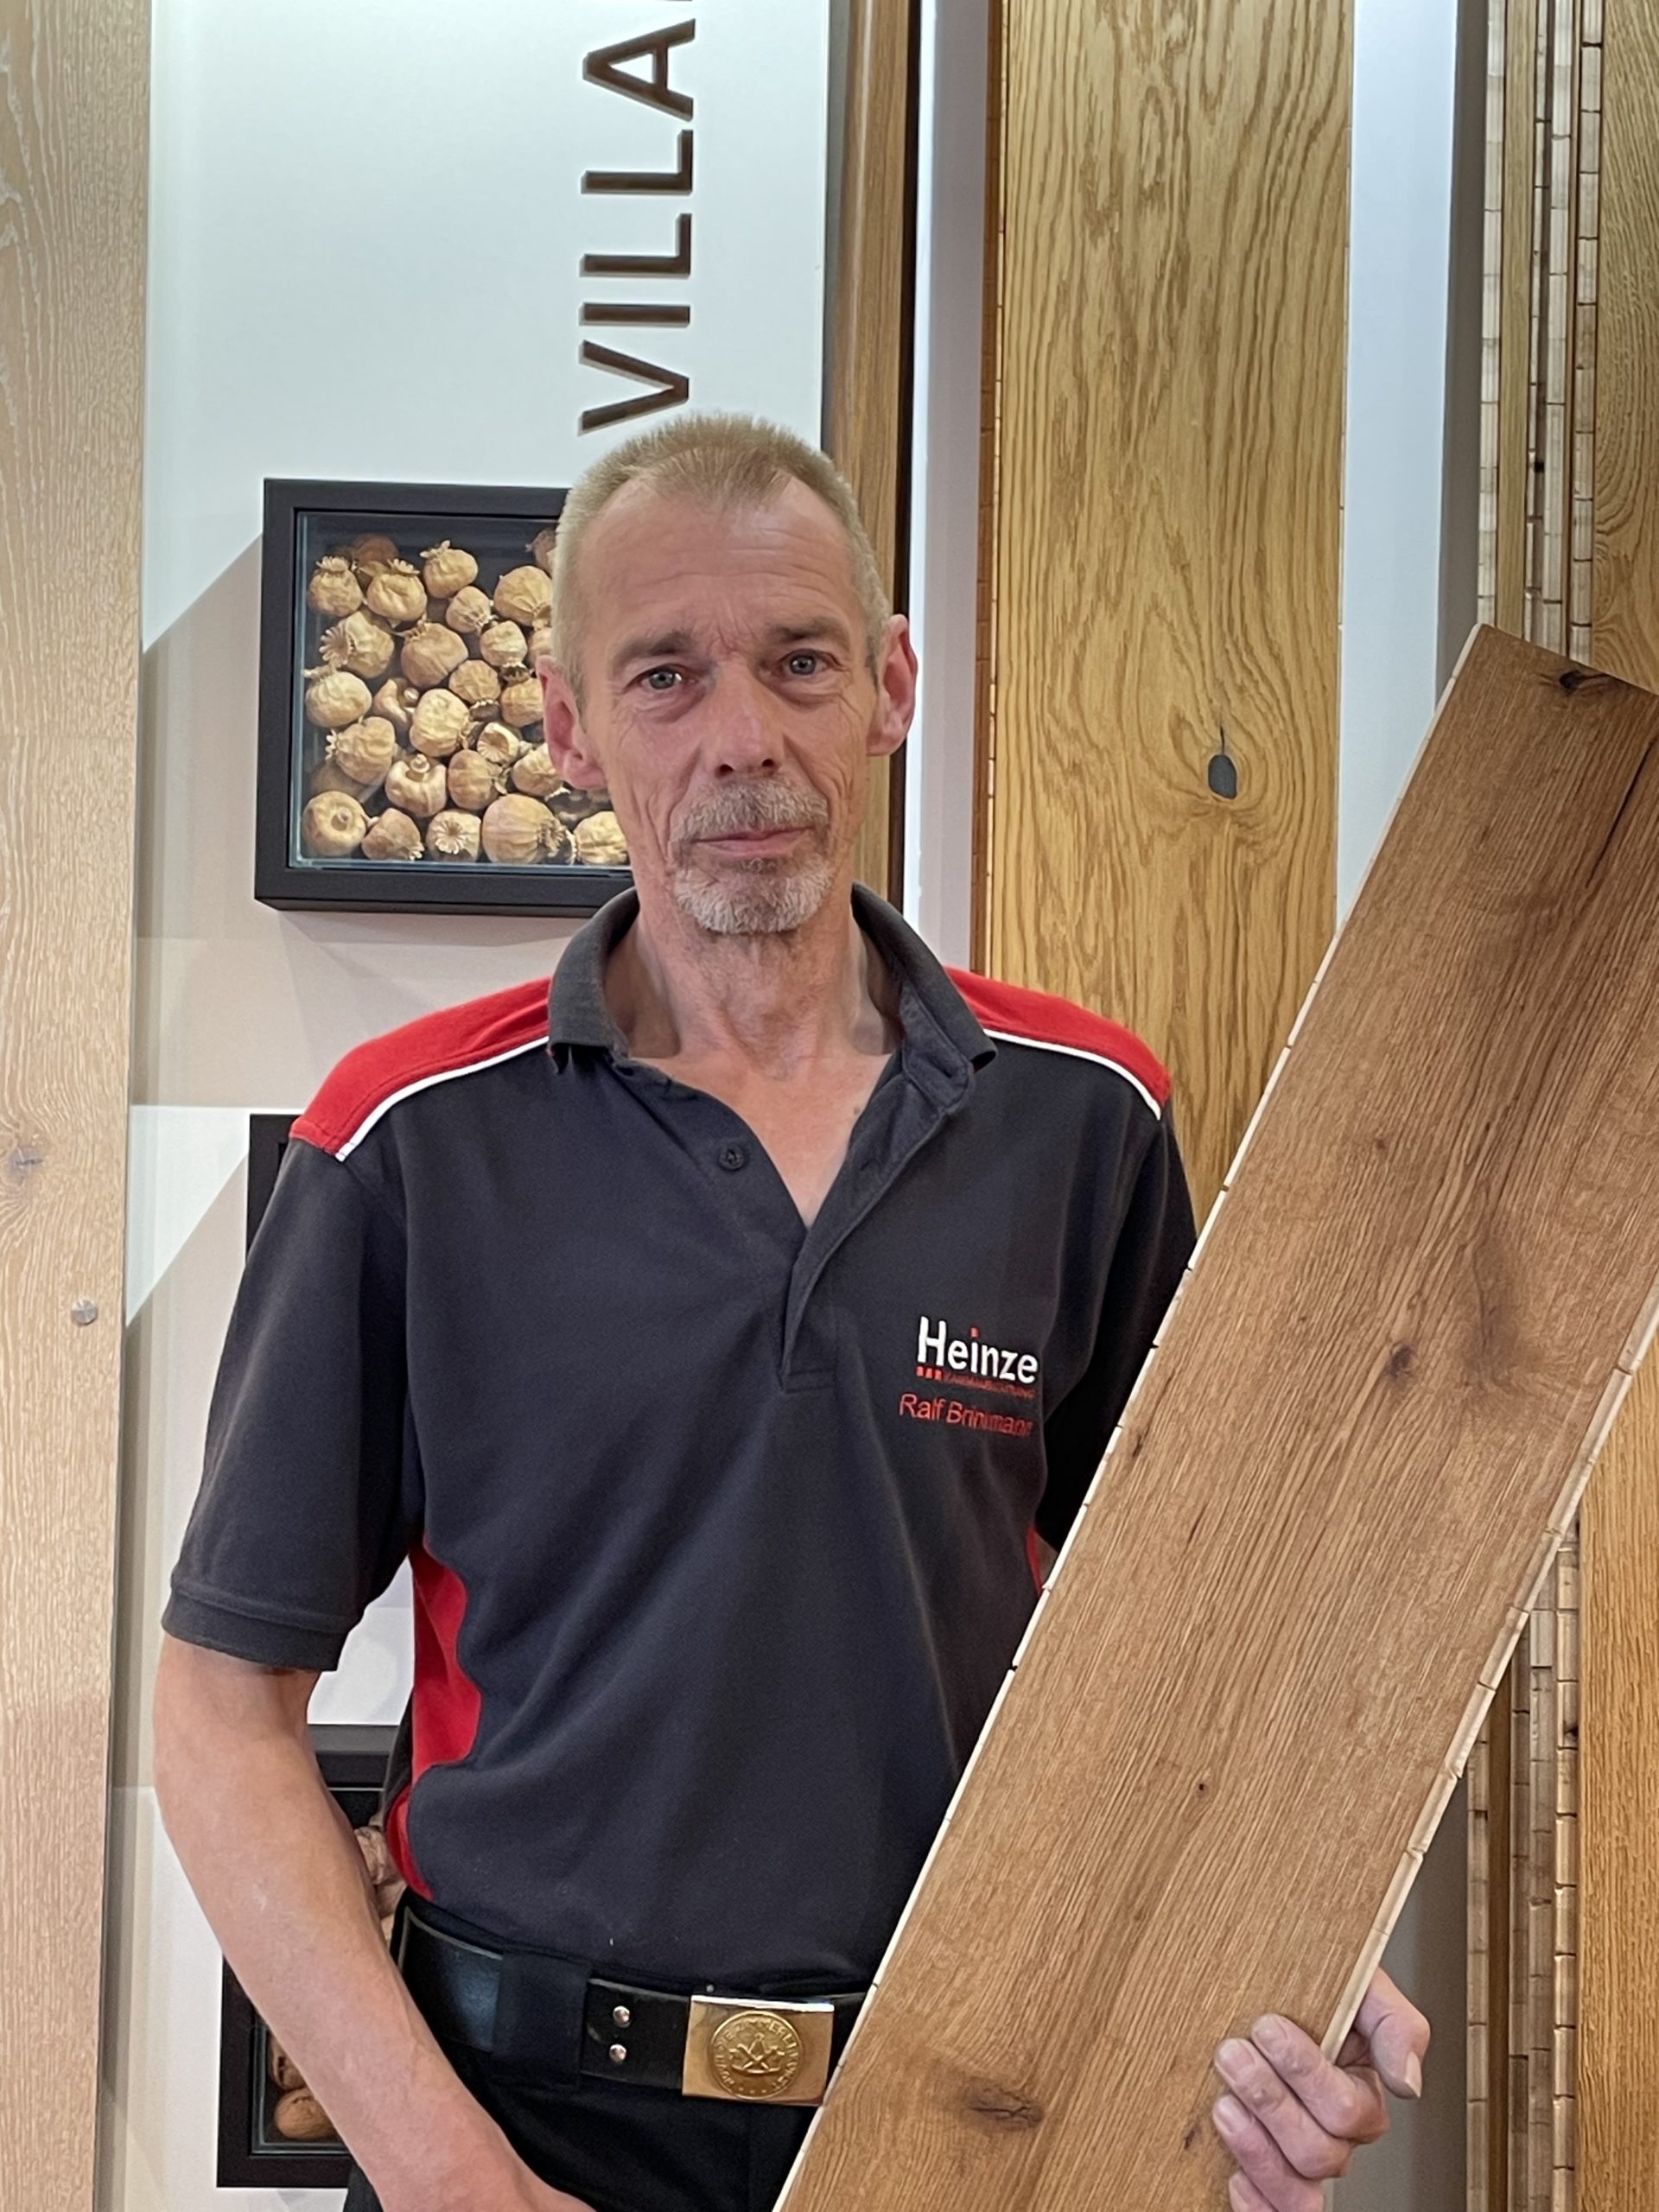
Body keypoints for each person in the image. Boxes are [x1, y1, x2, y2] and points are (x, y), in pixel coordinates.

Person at [155, 414, 1428, 2212]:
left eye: (800, 662)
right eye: (665, 676)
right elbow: (221, 1709)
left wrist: (1287, 1944)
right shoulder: (409, 1140)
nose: (741, 735)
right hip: (527, 2119)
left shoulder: (1086, 1117)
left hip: (976, 2109)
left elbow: (1205, 1646)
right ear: (571, 727)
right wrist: (452, 2178)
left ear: (890, 686)